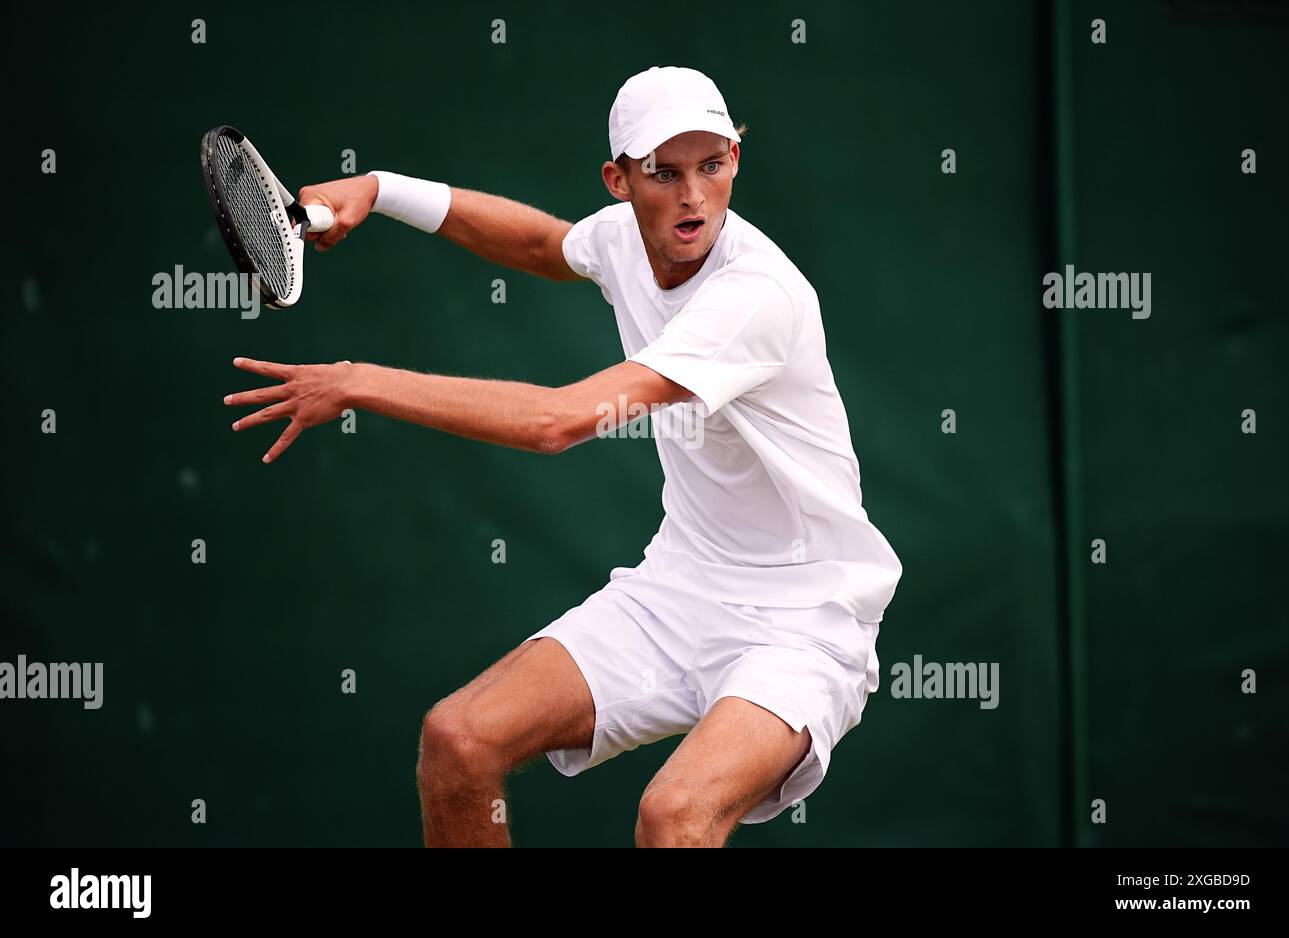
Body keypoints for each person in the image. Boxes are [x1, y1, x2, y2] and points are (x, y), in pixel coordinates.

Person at [224, 66, 902, 847]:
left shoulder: (756, 295)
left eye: (712, 165)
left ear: (735, 160)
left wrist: (362, 382)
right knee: (459, 741)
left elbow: (556, 422)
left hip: (804, 617)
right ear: (619, 181)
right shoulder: (624, 237)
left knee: (674, 817)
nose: (692, 196)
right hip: (684, 586)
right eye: (664, 173)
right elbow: (547, 244)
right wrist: (381, 188)